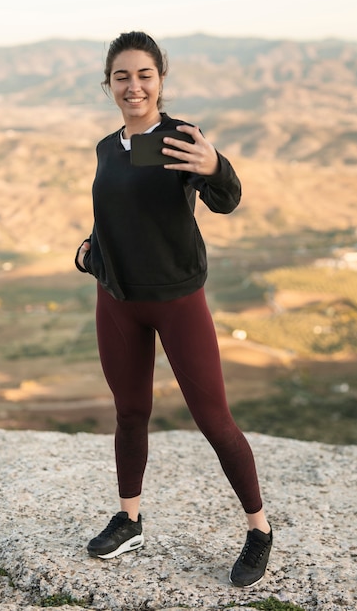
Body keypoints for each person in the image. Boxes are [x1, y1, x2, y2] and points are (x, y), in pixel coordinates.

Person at [75, 31, 272, 588]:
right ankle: (130, 518)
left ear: (161, 79)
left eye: (144, 75)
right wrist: (90, 249)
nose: (133, 86)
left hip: (177, 300)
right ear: (108, 84)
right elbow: (122, 209)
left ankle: (259, 530)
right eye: (121, 76)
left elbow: (225, 200)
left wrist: (215, 166)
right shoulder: (108, 146)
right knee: (130, 412)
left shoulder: (180, 139)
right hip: (117, 301)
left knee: (214, 421)